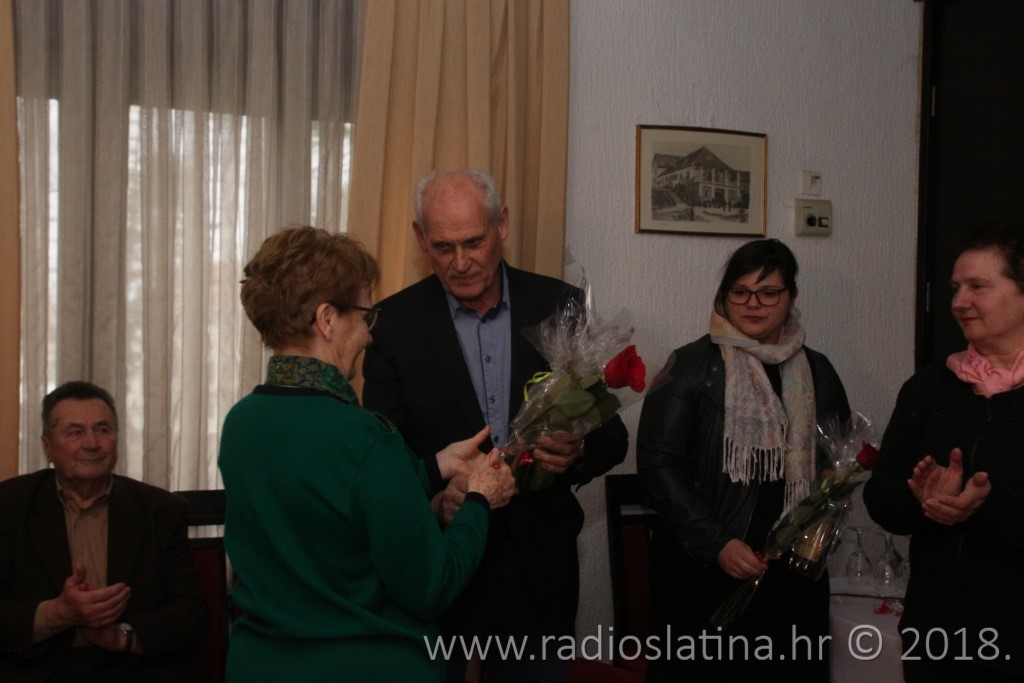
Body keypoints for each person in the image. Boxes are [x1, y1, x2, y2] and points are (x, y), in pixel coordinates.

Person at [362, 168, 629, 682]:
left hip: (537, 567)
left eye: (473, 242)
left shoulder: (559, 306)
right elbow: (383, 458)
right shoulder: (391, 324)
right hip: (439, 561)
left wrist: (575, 450)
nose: (460, 262)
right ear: (420, 238)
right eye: (443, 247)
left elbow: (612, 436)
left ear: (501, 225)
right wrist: (436, 500)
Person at [218, 226, 515, 682]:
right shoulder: (364, 437)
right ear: (327, 320)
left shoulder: (241, 423)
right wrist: (480, 499)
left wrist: (434, 466)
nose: (370, 334)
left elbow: (328, 504)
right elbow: (432, 585)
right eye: (364, 314)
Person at [636, 238, 850, 682]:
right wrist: (717, 543)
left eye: (768, 292)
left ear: (791, 296)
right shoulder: (689, 366)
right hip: (705, 570)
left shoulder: (819, 371)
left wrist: (833, 492)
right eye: (740, 291)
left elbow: (838, 458)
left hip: (792, 572)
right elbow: (658, 466)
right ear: (724, 295)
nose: (753, 304)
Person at [863, 226, 1024, 682]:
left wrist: (983, 506)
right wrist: (923, 499)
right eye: (956, 288)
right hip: (937, 636)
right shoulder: (929, 387)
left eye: (978, 286)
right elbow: (881, 498)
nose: (959, 302)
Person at [0, 381, 208, 682]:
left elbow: (191, 612)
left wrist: (122, 637)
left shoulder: (160, 509)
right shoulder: (9, 507)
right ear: (47, 446)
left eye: (102, 430)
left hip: (131, 670)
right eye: (75, 432)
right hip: (37, 672)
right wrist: (56, 613)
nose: (91, 443)